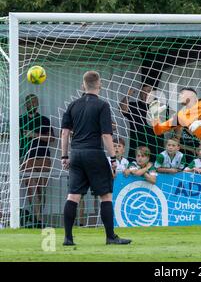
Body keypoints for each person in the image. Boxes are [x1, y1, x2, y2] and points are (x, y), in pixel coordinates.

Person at [61, 70, 131, 245]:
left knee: (73, 196)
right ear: (99, 85)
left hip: (76, 154)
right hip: (94, 153)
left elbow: (64, 133)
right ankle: (110, 237)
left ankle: (68, 238)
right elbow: (107, 135)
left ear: (83, 85)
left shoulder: (72, 105)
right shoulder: (102, 105)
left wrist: (64, 156)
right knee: (105, 196)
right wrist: (113, 159)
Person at [19, 94, 55, 228]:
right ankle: (37, 218)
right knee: (31, 188)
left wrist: (35, 135)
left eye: (36, 102)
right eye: (31, 102)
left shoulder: (44, 120)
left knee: (41, 189)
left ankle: (39, 218)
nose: (33, 104)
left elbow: (52, 138)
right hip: (27, 158)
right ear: (26, 104)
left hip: (43, 157)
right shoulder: (20, 120)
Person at [119, 84, 163, 162]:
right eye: (143, 92)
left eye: (149, 91)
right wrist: (128, 95)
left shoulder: (161, 107)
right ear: (139, 94)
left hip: (156, 149)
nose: (146, 94)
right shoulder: (134, 106)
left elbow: (176, 122)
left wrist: (176, 138)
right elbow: (122, 109)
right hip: (137, 150)